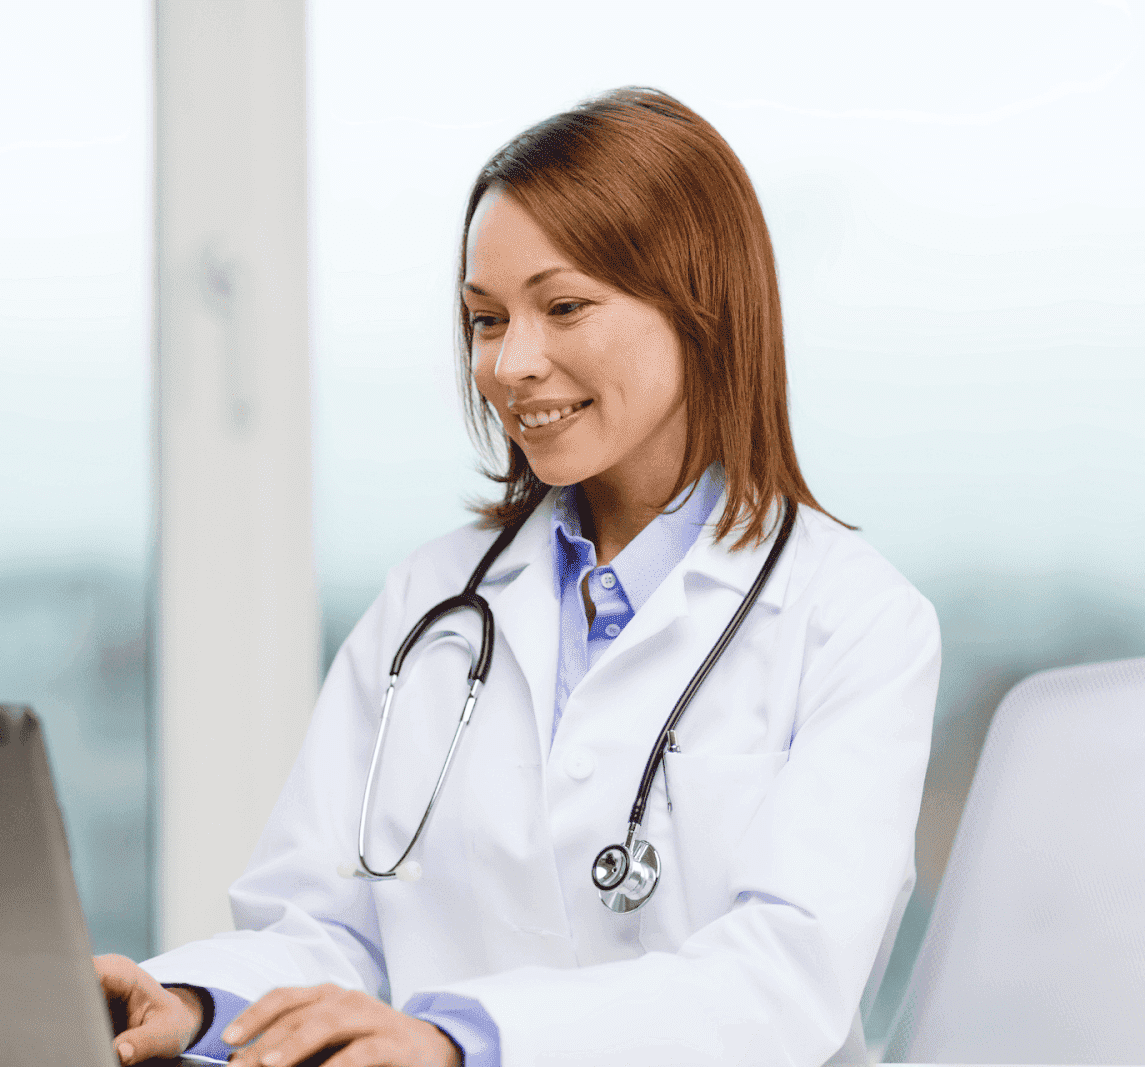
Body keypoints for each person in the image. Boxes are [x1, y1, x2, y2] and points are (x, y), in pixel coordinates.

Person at [96, 87, 940, 1067]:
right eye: (486, 319)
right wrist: (193, 1002)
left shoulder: (855, 620)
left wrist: (462, 1039)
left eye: (563, 306)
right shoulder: (429, 604)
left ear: (700, 307)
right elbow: (324, 925)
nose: (510, 363)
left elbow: (783, 980)